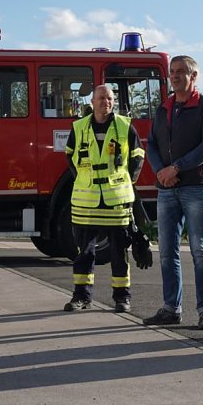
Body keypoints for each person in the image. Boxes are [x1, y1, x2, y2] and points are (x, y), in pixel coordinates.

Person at [143, 55, 203, 330]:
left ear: (193, 76)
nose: (174, 76)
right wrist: (161, 171)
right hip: (167, 189)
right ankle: (171, 308)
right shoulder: (164, 109)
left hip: (196, 187)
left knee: (199, 249)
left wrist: (176, 168)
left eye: (180, 72)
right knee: (167, 251)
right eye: (172, 72)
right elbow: (151, 144)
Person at [63, 85, 145, 313]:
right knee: (84, 254)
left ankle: (122, 298)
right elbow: (69, 154)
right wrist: (82, 177)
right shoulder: (78, 127)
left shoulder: (124, 125)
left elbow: (138, 155)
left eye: (109, 98)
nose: (105, 102)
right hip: (85, 202)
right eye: (101, 98)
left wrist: (128, 181)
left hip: (116, 201)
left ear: (113, 102)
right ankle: (81, 298)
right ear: (92, 101)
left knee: (119, 254)